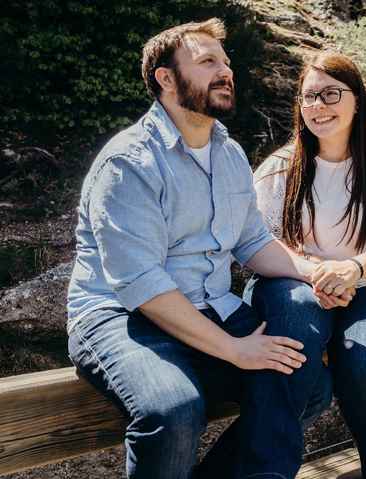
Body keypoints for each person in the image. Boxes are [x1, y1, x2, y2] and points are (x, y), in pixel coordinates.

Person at [66, 19, 349, 479]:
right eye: (207, 62)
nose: (225, 71)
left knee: (308, 384)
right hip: (119, 316)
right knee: (174, 411)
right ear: (166, 78)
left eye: (227, 62)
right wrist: (235, 350)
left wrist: (311, 271)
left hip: (207, 307)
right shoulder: (129, 162)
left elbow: (252, 241)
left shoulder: (229, 153)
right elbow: (142, 284)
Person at [251, 51, 366, 479]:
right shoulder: (278, 169)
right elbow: (261, 244)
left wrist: (351, 270)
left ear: (357, 100)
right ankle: (266, 471)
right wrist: (318, 273)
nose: (317, 106)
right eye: (309, 97)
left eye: (331, 93)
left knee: (363, 365)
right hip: (292, 282)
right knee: (296, 352)